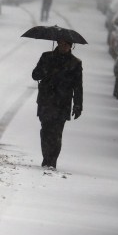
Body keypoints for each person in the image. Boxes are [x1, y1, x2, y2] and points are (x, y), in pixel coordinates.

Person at [31, 40, 83, 169]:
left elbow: (78, 86)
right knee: (45, 130)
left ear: (71, 46)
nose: (63, 46)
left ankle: (52, 160)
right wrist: (44, 69)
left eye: (66, 44)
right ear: (57, 43)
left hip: (63, 103)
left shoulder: (75, 63)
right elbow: (35, 75)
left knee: (57, 132)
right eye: (61, 43)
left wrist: (78, 105)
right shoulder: (46, 57)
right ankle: (46, 157)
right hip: (46, 100)